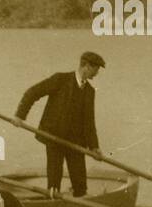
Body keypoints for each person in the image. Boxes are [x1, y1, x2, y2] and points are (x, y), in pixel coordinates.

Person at [12, 51, 105, 197]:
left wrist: (94, 147)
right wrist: (19, 116)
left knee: (80, 183)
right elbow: (32, 93)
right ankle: (52, 205)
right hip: (54, 138)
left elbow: (89, 122)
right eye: (96, 69)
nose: (97, 73)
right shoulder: (60, 79)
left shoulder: (89, 91)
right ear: (86, 66)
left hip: (76, 143)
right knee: (54, 182)